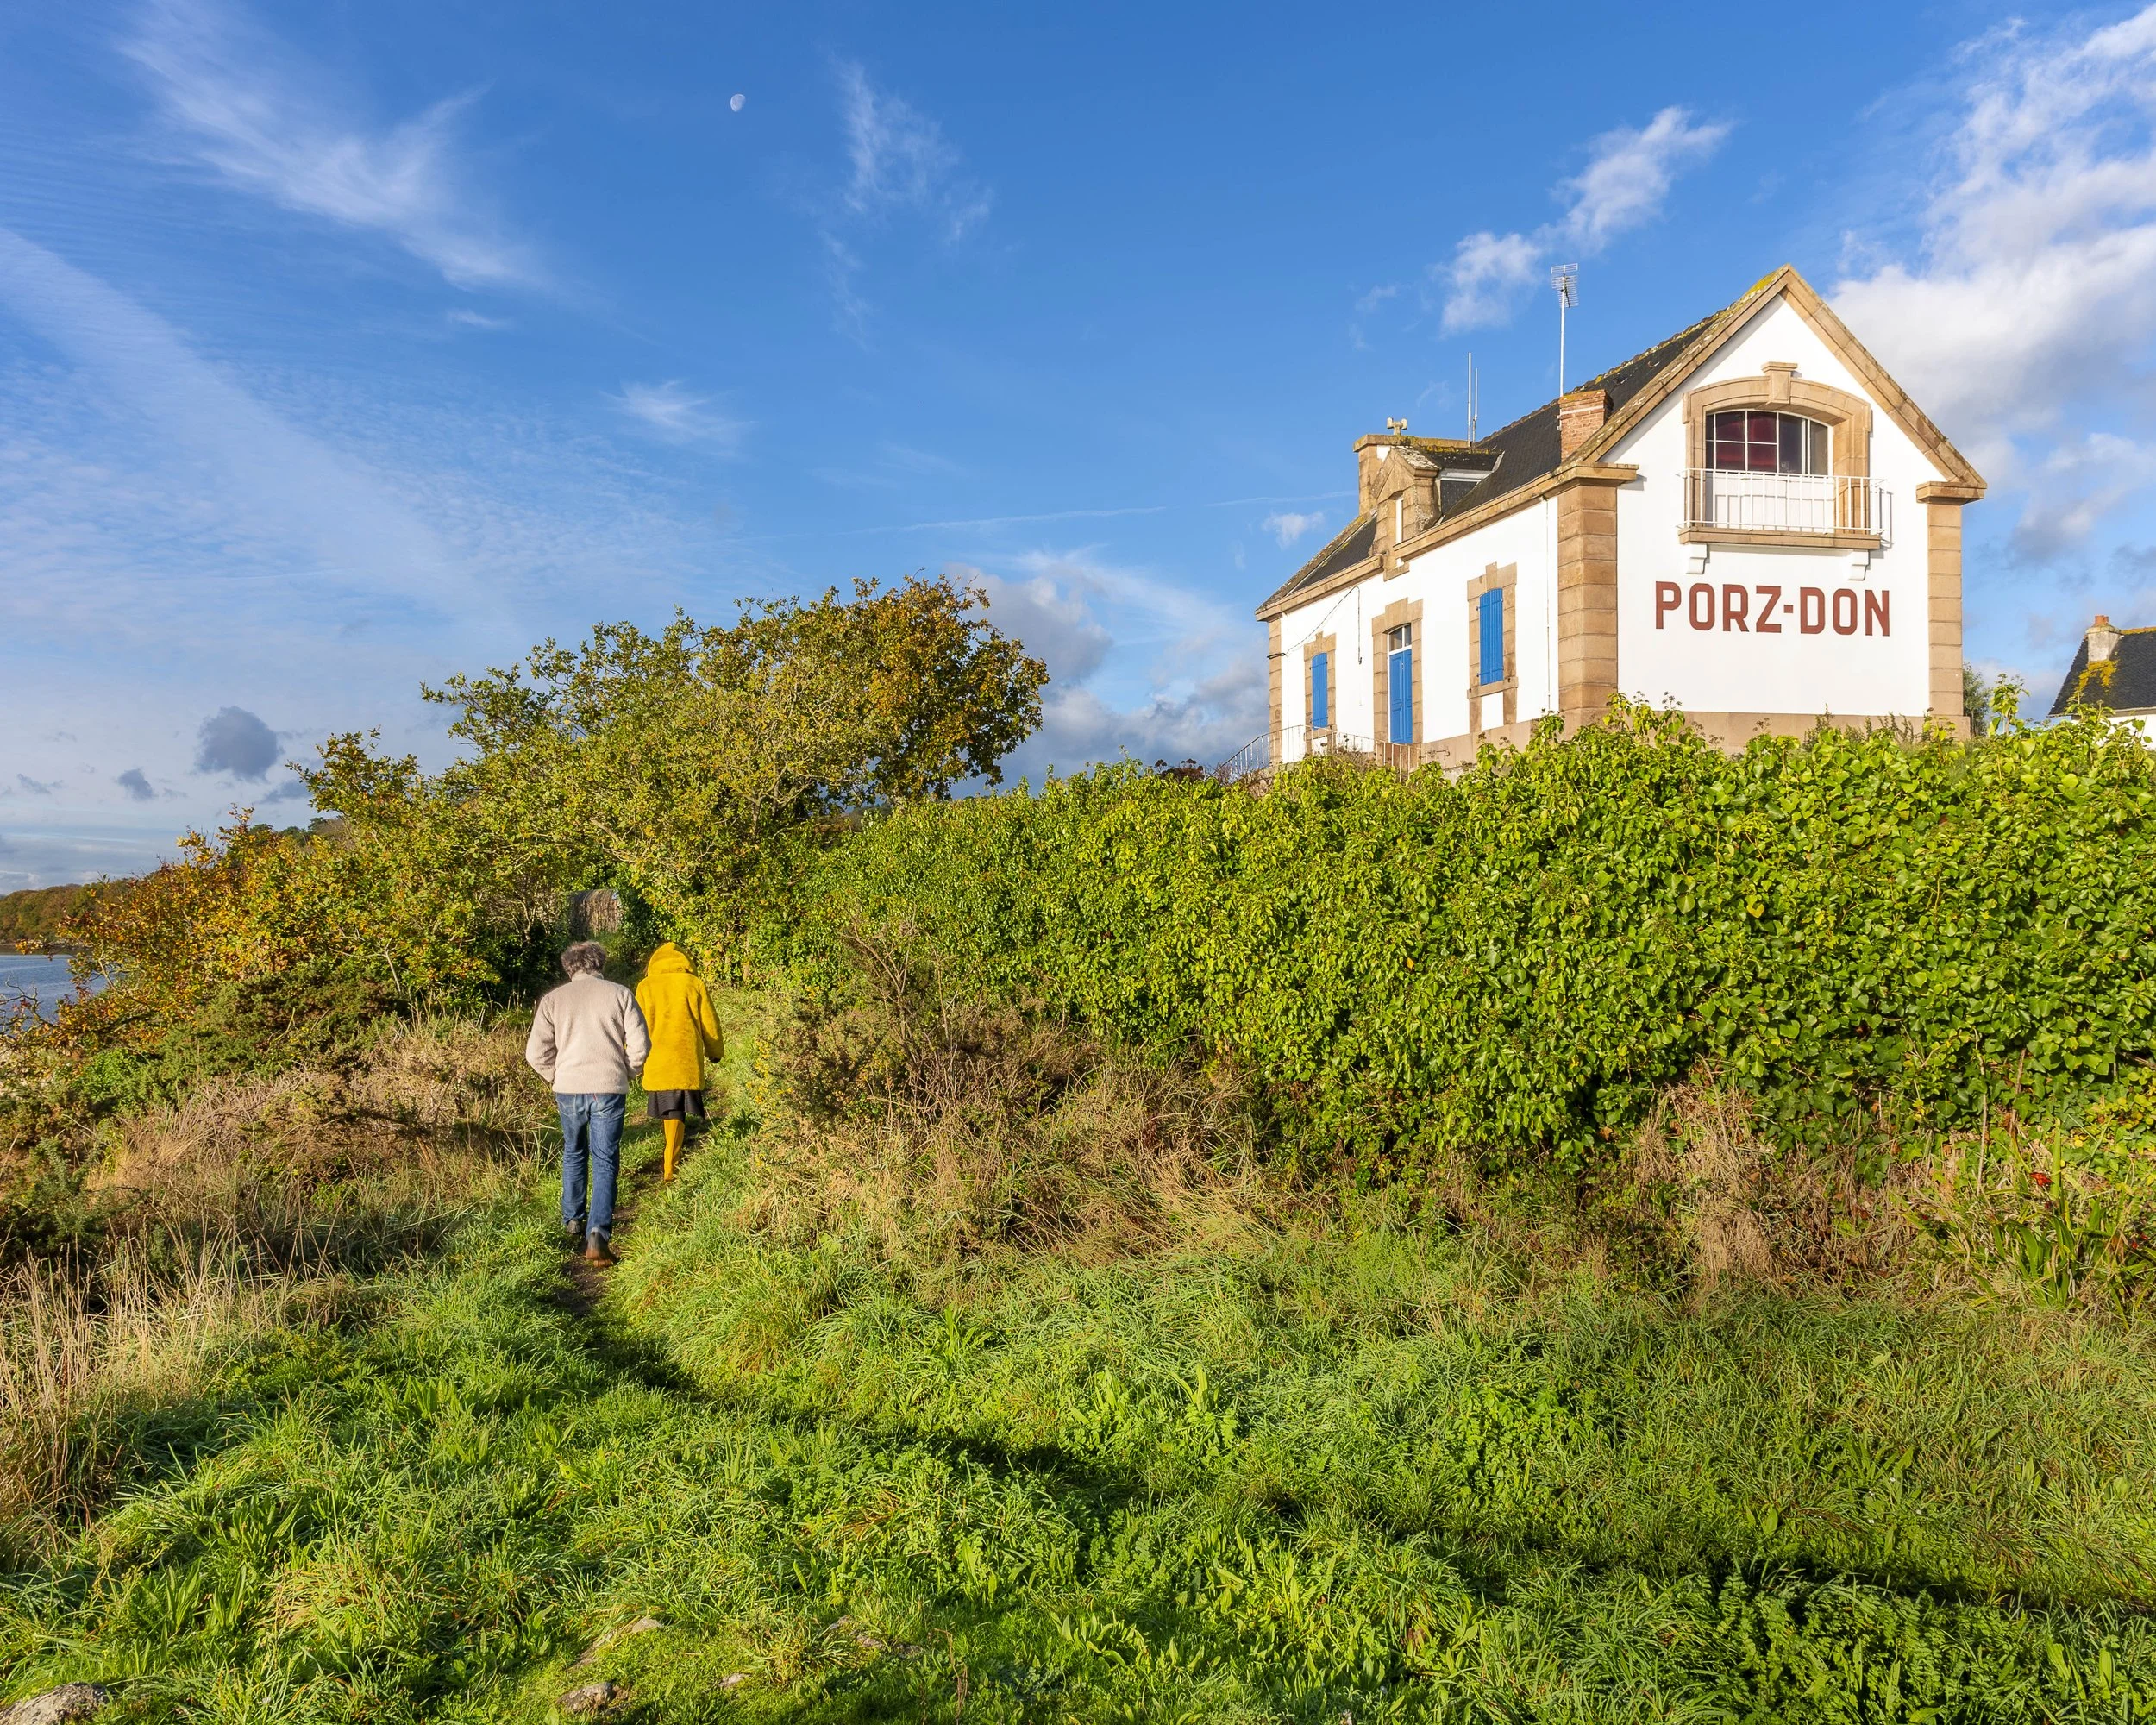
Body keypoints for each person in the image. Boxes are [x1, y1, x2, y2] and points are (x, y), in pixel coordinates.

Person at [526, 941, 650, 1266]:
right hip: (608, 1088)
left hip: (568, 1088)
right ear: (600, 963)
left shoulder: (553, 1000)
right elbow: (640, 1046)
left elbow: (535, 1053)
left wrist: (555, 1076)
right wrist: (626, 1072)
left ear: (570, 967)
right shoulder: (620, 994)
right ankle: (598, 1232)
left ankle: (572, 1218)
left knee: (573, 1150)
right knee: (606, 1158)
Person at [634, 941, 724, 1180]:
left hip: (657, 1059)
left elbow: (636, 1025)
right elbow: (709, 1022)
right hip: (685, 1059)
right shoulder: (694, 984)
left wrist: (630, 1057)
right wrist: (715, 1051)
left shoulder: (646, 986)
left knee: (669, 1110)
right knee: (677, 1112)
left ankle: (669, 1165)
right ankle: (670, 1166)